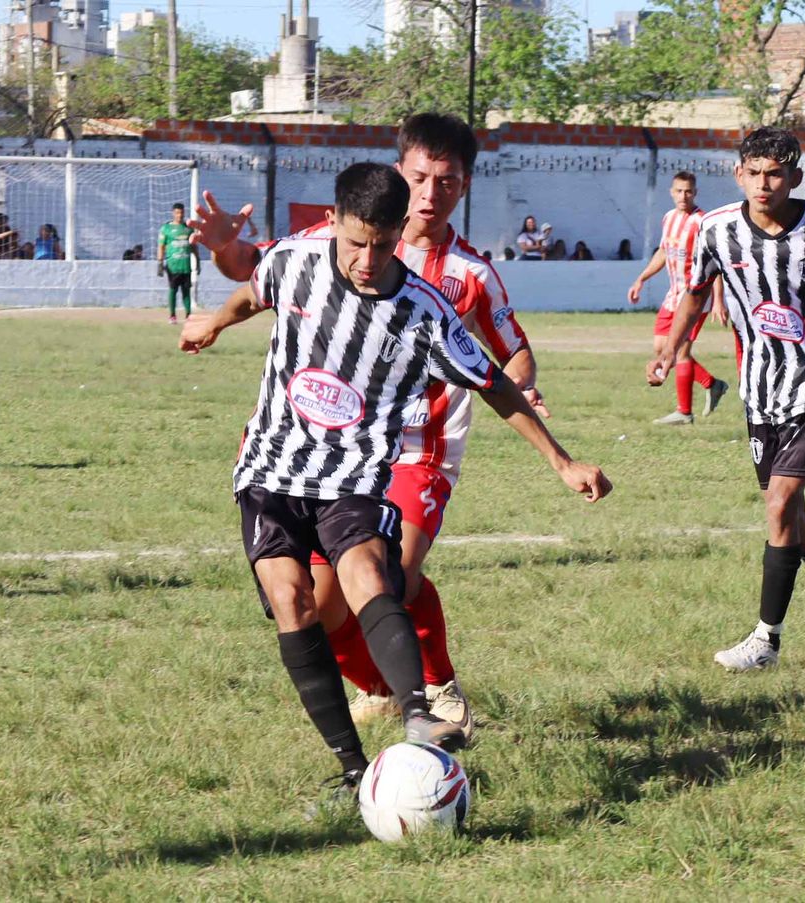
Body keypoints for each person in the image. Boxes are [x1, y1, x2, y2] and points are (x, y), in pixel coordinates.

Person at [178, 162, 609, 797]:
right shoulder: (295, 258)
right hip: (270, 467)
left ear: (398, 232)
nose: (368, 260)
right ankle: (353, 771)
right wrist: (215, 319)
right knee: (294, 604)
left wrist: (562, 460)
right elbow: (251, 286)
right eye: (356, 243)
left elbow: (493, 385)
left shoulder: (424, 311)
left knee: (368, 575)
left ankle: (418, 715)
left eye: (384, 245)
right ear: (332, 224)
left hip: (354, 472)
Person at [648, 127, 805, 671]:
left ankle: (766, 641)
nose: (764, 183)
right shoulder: (716, 229)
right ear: (738, 175)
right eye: (754, 172)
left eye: (775, 173)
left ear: (794, 177)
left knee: (780, 504)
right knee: (788, 517)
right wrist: (669, 349)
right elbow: (695, 294)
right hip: (760, 389)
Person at [628, 171, 730, 426]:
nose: (684, 195)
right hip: (673, 294)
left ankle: (684, 412)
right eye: (679, 191)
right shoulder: (669, 218)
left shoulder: (702, 222)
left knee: (681, 353)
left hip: (696, 298)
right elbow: (663, 252)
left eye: (688, 191)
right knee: (661, 348)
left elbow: (714, 264)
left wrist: (718, 300)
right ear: (671, 192)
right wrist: (641, 278)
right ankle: (711, 384)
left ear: (695, 193)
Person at [158, 202, 198, 323]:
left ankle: (188, 316)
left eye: (181, 212)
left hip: (185, 266)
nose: (179, 215)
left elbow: (194, 247)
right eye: (177, 212)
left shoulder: (188, 229)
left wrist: (198, 261)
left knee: (186, 291)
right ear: (173, 213)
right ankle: (172, 316)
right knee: (173, 290)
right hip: (172, 266)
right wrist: (159, 263)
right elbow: (161, 247)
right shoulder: (166, 228)